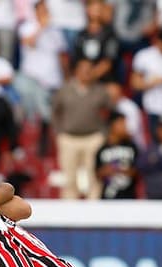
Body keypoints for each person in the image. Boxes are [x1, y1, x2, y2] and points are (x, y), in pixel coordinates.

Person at [13, 0, 68, 154]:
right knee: (38, 113)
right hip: (33, 78)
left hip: (53, 79)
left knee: (49, 116)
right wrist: (42, 26)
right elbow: (28, 42)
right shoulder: (27, 26)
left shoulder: (55, 30)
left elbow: (61, 55)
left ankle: (46, 148)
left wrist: (65, 77)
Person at [52, 59, 111, 199]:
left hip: (93, 137)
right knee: (69, 177)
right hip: (69, 138)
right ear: (76, 71)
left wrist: (104, 132)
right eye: (83, 69)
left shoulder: (101, 91)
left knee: (94, 176)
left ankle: (94, 210)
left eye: (89, 69)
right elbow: (55, 111)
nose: (86, 73)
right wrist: (59, 131)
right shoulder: (65, 90)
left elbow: (110, 112)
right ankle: (68, 213)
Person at [94, 112, 139, 199]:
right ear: (112, 125)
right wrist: (105, 171)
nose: (125, 127)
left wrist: (122, 169)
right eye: (121, 123)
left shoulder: (132, 146)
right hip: (108, 197)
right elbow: (96, 174)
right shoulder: (102, 149)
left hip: (129, 197)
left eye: (125, 124)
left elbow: (138, 170)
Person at [72, 0, 119, 82]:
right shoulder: (81, 34)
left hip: (102, 80)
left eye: (98, 8)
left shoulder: (109, 34)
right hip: (81, 77)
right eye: (92, 7)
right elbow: (76, 60)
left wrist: (90, 77)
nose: (95, 10)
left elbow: (107, 62)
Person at [106, 81, 146, 150]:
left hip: (134, 145)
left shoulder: (129, 107)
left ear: (119, 92)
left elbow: (132, 130)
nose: (110, 96)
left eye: (112, 93)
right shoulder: (107, 106)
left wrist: (116, 133)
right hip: (115, 144)